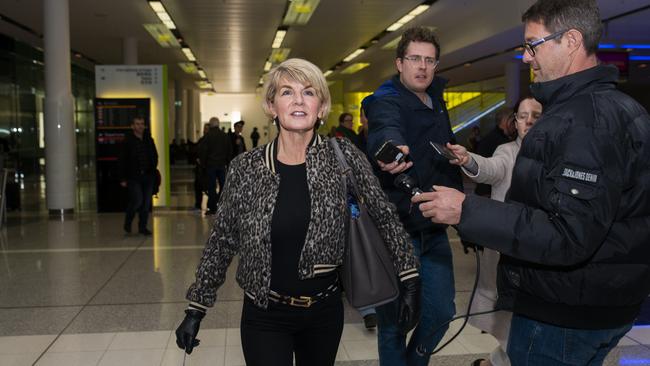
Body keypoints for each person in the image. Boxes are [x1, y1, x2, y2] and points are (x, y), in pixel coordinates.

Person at [411, 1, 650, 365]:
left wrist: (466, 209)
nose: (526, 57)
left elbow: (567, 235)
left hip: (563, 313)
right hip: (603, 303)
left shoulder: (582, 121)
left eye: (532, 44)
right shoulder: (622, 108)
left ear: (570, 40)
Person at [175, 58, 421, 366]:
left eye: (308, 92)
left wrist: (410, 279)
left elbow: (384, 217)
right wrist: (196, 307)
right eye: (287, 92)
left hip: (324, 313)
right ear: (271, 105)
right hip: (263, 314)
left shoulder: (344, 158)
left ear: (321, 107)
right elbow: (222, 239)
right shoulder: (246, 168)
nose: (298, 101)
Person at [365, 26, 463, 366]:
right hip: (396, 229)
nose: (422, 67)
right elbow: (383, 126)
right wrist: (391, 149)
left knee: (441, 312)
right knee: (394, 322)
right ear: (399, 63)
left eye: (429, 60)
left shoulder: (436, 98)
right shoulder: (386, 98)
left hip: (433, 225)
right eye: (414, 59)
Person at [445, 96, 542, 366]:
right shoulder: (507, 151)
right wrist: (468, 160)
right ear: (515, 122)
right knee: (512, 322)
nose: (529, 121)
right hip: (508, 250)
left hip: (543, 251)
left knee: (534, 326)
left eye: (536, 114)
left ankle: (491, 364)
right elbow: (489, 169)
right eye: (522, 116)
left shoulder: (557, 153)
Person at [118, 116, 158, 236]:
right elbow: (122, 160)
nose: (140, 126)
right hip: (133, 177)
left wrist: (153, 168)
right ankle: (128, 221)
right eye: (137, 124)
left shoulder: (149, 139)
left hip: (148, 176)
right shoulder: (127, 141)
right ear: (132, 126)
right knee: (137, 201)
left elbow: (154, 155)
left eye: (142, 124)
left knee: (146, 204)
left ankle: (142, 227)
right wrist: (122, 178)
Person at [474, 107, 515, 197]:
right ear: (505, 121)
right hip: (488, 192)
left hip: (484, 190)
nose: (515, 125)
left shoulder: (492, 137)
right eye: (513, 121)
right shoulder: (500, 142)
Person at [198, 117, 232, 216]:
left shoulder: (207, 136)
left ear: (210, 125)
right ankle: (222, 205)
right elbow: (229, 151)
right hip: (222, 165)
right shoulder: (225, 136)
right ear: (218, 124)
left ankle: (213, 208)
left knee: (211, 187)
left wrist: (203, 165)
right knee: (223, 186)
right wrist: (227, 163)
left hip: (210, 166)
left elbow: (203, 152)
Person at [192, 123, 210, 212]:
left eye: (207, 128)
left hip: (207, 168)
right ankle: (198, 204)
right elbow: (195, 152)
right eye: (205, 128)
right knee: (198, 186)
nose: (205, 130)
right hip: (200, 168)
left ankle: (210, 205)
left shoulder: (210, 141)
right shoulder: (201, 140)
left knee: (208, 187)